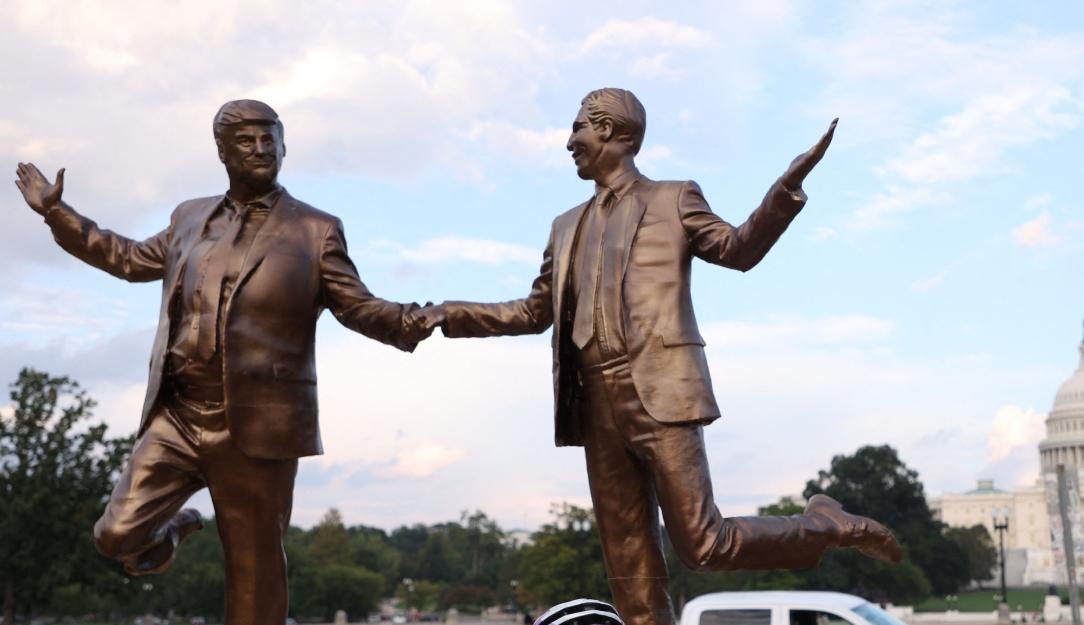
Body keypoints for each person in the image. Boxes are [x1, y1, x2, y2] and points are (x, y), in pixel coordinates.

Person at [412, 88, 900, 625]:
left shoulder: (674, 198)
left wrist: (784, 191)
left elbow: (737, 249)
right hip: (594, 403)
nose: (569, 141)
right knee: (631, 571)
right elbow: (533, 312)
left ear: (610, 131)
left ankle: (823, 525)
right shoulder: (564, 226)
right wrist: (447, 314)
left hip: (661, 389)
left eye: (578, 128)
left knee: (704, 543)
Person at [13, 99, 434, 625]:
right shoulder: (189, 218)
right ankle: (173, 530)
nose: (260, 149)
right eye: (246, 141)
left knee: (256, 570)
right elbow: (126, 257)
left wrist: (412, 320)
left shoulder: (316, 230)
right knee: (116, 534)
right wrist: (56, 213)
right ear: (222, 152)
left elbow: (359, 307)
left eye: (269, 140)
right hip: (179, 414)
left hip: (257, 423)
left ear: (283, 147)